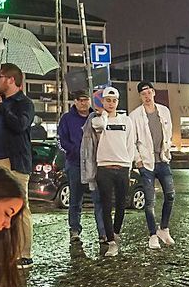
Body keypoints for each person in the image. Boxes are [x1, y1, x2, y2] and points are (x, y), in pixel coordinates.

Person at [0, 63, 35, 268]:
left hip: (13, 162)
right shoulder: (1, 103)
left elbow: (19, 125)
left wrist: (0, 106)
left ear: (11, 80)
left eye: (0, 76)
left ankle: (24, 253)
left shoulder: (23, 103)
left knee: (19, 208)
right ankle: (4, 252)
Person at [130, 81, 176, 249]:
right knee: (149, 201)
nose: (147, 96)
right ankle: (152, 234)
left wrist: (167, 149)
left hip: (162, 160)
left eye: (149, 92)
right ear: (140, 96)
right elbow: (132, 140)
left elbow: (168, 132)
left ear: (154, 93)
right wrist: (138, 160)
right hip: (146, 163)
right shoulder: (135, 116)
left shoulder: (164, 111)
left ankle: (164, 228)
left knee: (170, 195)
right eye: (143, 94)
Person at [92, 86, 136, 257]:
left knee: (121, 204)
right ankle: (110, 241)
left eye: (114, 101)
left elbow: (130, 144)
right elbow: (100, 126)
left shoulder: (127, 121)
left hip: (123, 166)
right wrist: (102, 113)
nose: (111, 104)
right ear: (102, 101)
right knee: (105, 205)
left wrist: (129, 166)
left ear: (118, 102)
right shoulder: (97, 120)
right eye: (107, 100)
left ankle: (116, 233)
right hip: (104, 167)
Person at [57, 90, 106, 244]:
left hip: (95, 163)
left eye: (86, 100)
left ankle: (103, 232)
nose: (84, 103)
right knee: (75, 199)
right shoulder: (67, 118)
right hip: (75, 163)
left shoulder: (96, 117)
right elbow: (62, 140)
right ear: (75, 101)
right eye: (80, 100)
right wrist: (75, 150)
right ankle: (75, 230)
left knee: (99, 199)